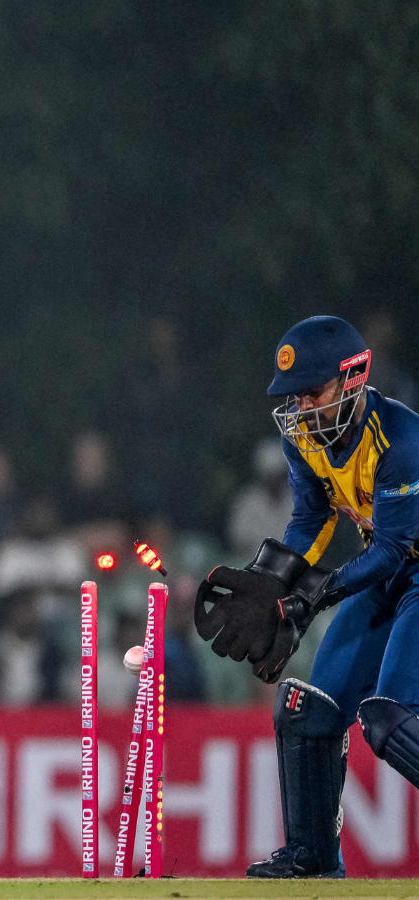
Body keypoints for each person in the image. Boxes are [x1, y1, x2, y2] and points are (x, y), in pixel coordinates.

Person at [194, 316, 419, 878]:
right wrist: (270, 579)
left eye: (312, 391)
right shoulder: (302, 436)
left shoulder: (402, 440)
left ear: (354, 378)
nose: (301, 407)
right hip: (390, 578)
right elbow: (312, 517)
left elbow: (392, 549)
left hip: (406, 568)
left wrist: (312, 597)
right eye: (294, 396)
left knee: (388, 719)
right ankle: (314, 860)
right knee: (308, 712)